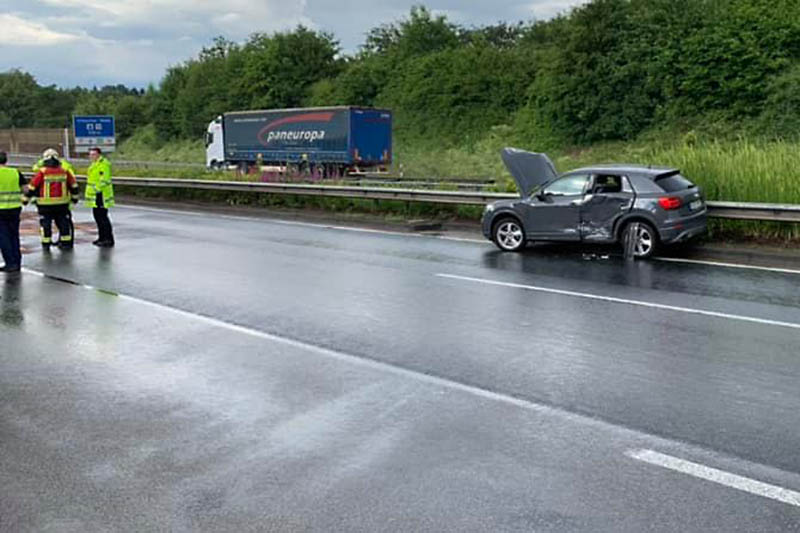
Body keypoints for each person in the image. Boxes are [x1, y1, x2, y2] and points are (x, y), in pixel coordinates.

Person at [24, 153, 80, 249]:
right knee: (63, 223)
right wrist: (74, 199)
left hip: (45, 205)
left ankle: (46, 243)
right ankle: (65, 243)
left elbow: (32, 187)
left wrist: (25, 200)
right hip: (62, 204)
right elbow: (74, 186)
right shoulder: (65, 171)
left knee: (46, 224)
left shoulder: (42, 172)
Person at [0, 151, 25, 272]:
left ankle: (10, 262)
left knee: (3, 237)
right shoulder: (15, 172)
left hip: (0, 210)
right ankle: (17, 261)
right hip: (15, 208)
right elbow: (25, 189)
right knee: (14, 235)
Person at [85, 147, 114, 247]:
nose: (91, 156)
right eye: (90, 154)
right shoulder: (94, 165)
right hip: (96, 195)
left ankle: (108, 239)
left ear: (99, 155)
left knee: (102, 218)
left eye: (93, 154)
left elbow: (104, 180)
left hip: (101, 195)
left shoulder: (103, 165)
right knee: (97, 217)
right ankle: (102, 237)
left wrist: (96, 189)